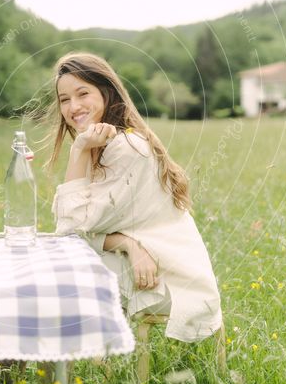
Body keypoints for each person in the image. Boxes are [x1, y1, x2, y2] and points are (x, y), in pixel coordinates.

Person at [48, 52, 222, 343]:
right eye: (65, 99)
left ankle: (12, 364)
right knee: (49, 264)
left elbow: (72, 230)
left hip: (168, 278)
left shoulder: (126, 146)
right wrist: (129, 244)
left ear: (106, 92)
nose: (73, 106)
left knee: (57, 274)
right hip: (139, 263)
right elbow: (74, 231)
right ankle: (21, 364)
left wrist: (78, 150)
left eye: (82, 93)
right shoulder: (100, 144)